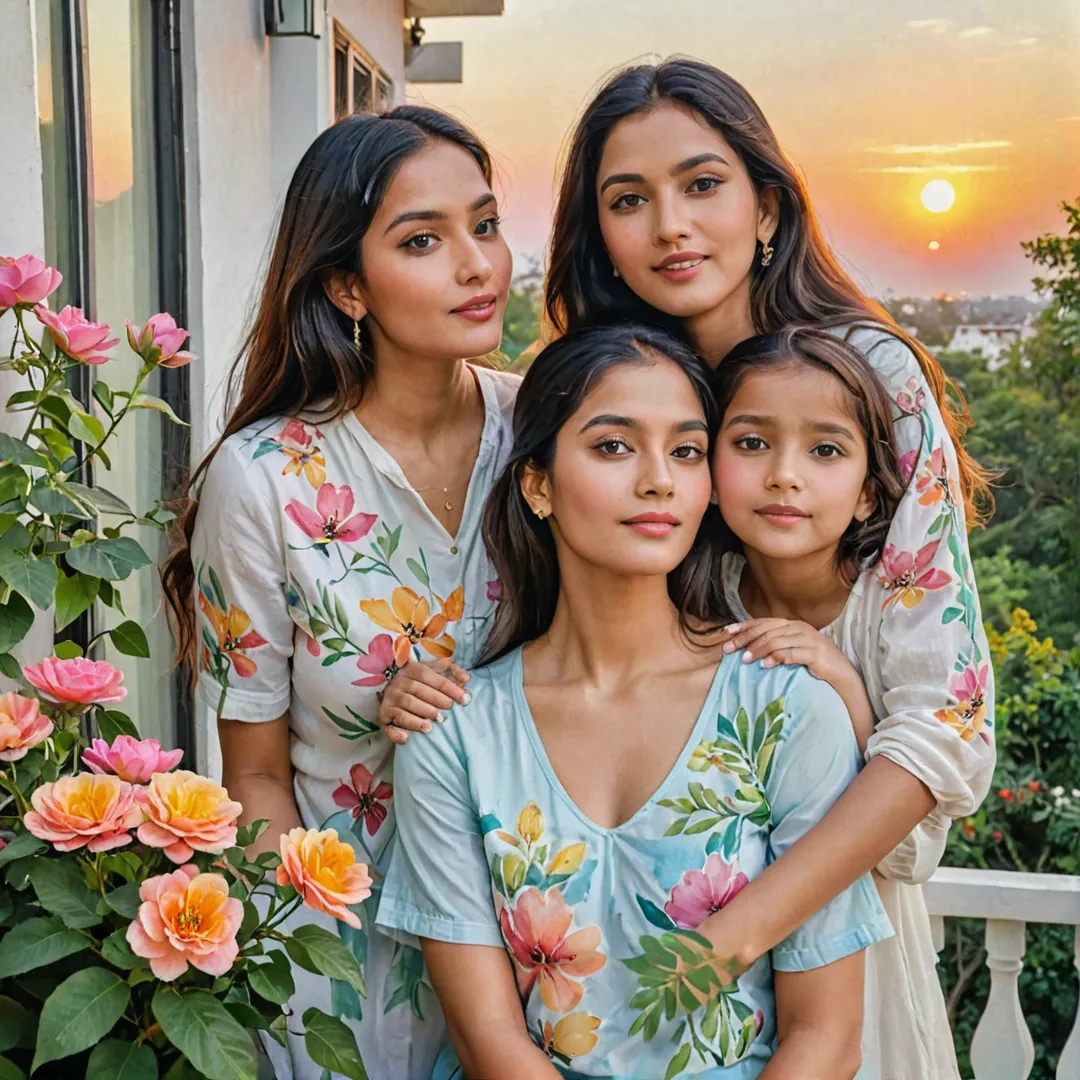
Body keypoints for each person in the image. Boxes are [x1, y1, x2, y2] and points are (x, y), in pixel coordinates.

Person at [541, 59, 995, 1080]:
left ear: (766, 207)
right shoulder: (617, 403)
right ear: (599, 235)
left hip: (825, 940)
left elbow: (949, 723)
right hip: (632, 944)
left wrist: (734, 941)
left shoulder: (872, 383)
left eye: (703, 185)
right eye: (629, 200)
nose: (669, 226)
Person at [377, 323, 893, 1080]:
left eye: (686, 450)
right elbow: (490, 1044)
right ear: (538, 484)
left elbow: (825, 1039)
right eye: (614, 446)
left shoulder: (786, 706)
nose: (659, 480)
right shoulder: (450, 731)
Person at [161, 106, 517, 1080]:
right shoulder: (263, 478)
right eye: (424, 240)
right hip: (348, 963)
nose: (477, 263)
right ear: (347, 285)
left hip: (539, 929)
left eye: (485, 225)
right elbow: (258, 776)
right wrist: (315, 988)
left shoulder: (554, 435)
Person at [713, 326, 968, 1075]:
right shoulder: (693, 600)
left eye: (825, 450)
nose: (785, 475)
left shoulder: (883, 611)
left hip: (861, 957)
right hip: (717, 978)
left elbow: (912, 851)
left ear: (866, 495)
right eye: (752, 443)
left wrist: (850, 692)